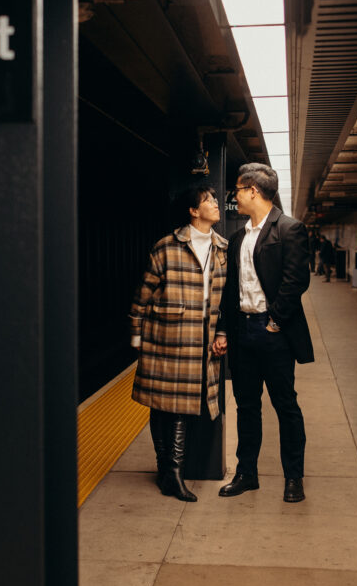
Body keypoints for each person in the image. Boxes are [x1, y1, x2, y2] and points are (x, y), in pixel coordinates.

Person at [213, 163, 314, 503]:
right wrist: (225, 329)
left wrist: (275, 322)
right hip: (242, 332)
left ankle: (294, 478)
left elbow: (296, 280)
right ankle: (247, 474)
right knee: (246, 406)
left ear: (253, 190)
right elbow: (230, 290)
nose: (234, 196)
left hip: (274, 333)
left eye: (238, 190)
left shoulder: (289, 229)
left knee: (285, 405)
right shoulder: (238, 237)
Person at [130, 186, 228, 502]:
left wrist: (222, 333)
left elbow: (227, 298)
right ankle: (171, 474)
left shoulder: (222, 249)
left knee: (179, 406)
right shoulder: (167, 247)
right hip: (167, 339)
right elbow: (144, 293)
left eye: (214, 200)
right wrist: (136, 331)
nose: (215, 204)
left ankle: (168, 473)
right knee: (168, 406)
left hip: (201, 342)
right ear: (193, 211)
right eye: (208, 200)